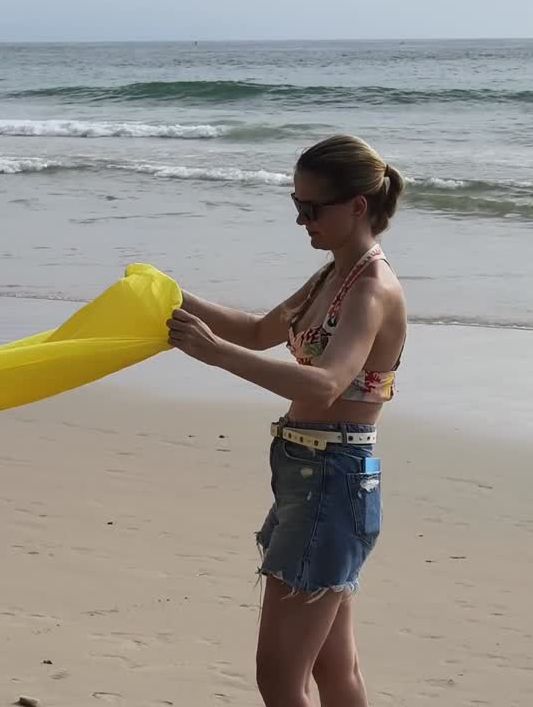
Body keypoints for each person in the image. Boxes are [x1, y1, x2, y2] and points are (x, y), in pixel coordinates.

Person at [166, 135, 407, 707]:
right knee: (335, 670)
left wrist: (213, 354)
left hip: (333, 478)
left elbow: (326, 384)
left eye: (312, 208)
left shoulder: (371, 290)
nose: (302, 220)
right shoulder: (332, 276)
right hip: (309, 475)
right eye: (295, 205)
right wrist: (171, 294)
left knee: (279, 679)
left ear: (357, 206)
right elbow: (255, 330)